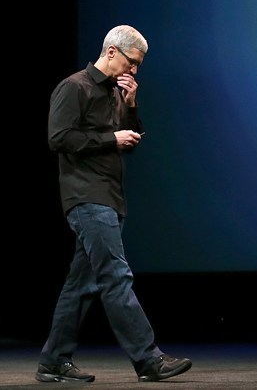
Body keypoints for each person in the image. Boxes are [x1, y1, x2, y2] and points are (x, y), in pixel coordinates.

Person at [36, 25, 192, 383]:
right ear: (111, 52)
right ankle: (149, 359)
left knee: (82, 284)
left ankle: (53, 360)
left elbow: (130, 140)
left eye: (137, 66)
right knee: (116, 277)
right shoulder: (74, 87)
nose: (133, 71)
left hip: (109, 196)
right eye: (131, 62)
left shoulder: (115, 94)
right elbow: (58, 137)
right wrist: (110, 138)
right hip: (86, 196)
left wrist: (131, 107)